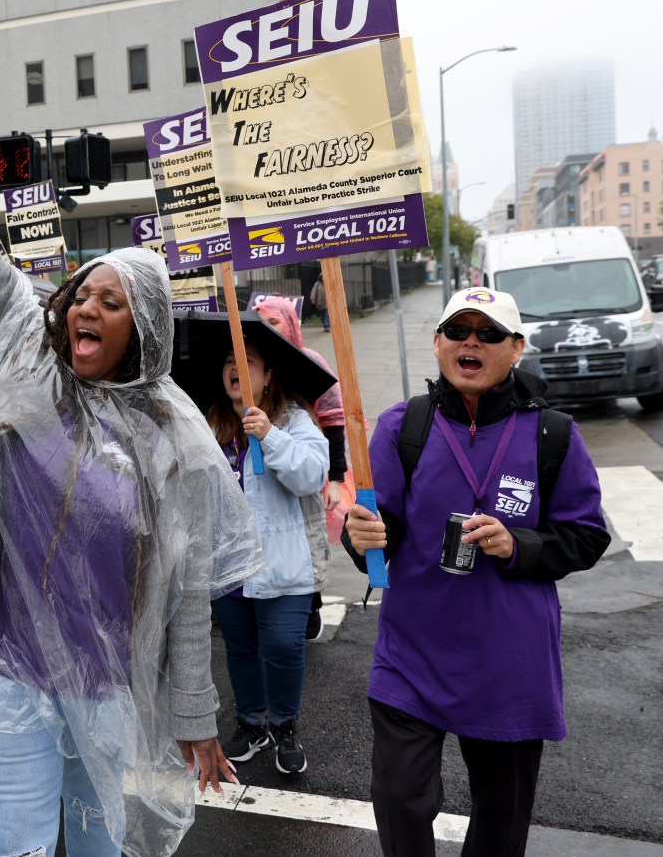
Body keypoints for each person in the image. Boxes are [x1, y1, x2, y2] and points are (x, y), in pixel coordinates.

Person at [0, 90, 262, 857]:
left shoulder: (172, 433)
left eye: (111, 302)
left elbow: (184, 592)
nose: (86, 306)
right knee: (18, 844)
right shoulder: (24, 343)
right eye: (83, 291)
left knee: (97, 843)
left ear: (141, 328)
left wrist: (194, 711)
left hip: (105, 675)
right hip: (3, 660)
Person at [343, 287, 610, 857]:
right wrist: (357, 534)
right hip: (412, 652)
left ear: (516, 349)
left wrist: (517, 544)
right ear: (438, 344)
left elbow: (587, 536)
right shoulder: (401, 427)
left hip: (509, 658)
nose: (472, 342)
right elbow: (377, 527)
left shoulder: (553, 434)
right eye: (459, 331)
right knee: (399, 799)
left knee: (501, 814)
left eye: (488, 333)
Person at [206, 331, 329, 776]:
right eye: (229, 362)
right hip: (228, 564)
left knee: (281, 645)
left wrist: (270, 435)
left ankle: (285, 725)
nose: (235, 368)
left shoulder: (293, 420)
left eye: (248, 360)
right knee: (240, 648)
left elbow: (312, 476)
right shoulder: (212, 423)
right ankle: (252, 722)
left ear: (270, 374)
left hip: (280, 559)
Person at [255, 296, 349, 640]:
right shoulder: (255, 361)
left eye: (274, 322)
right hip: (267, 464)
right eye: (262, 322)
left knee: (308, 540)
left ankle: (310, 608)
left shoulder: (311, 362)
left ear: (290, 323)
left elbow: (335, 421)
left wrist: (335, 480)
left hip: (308, 461)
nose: (269, 329)